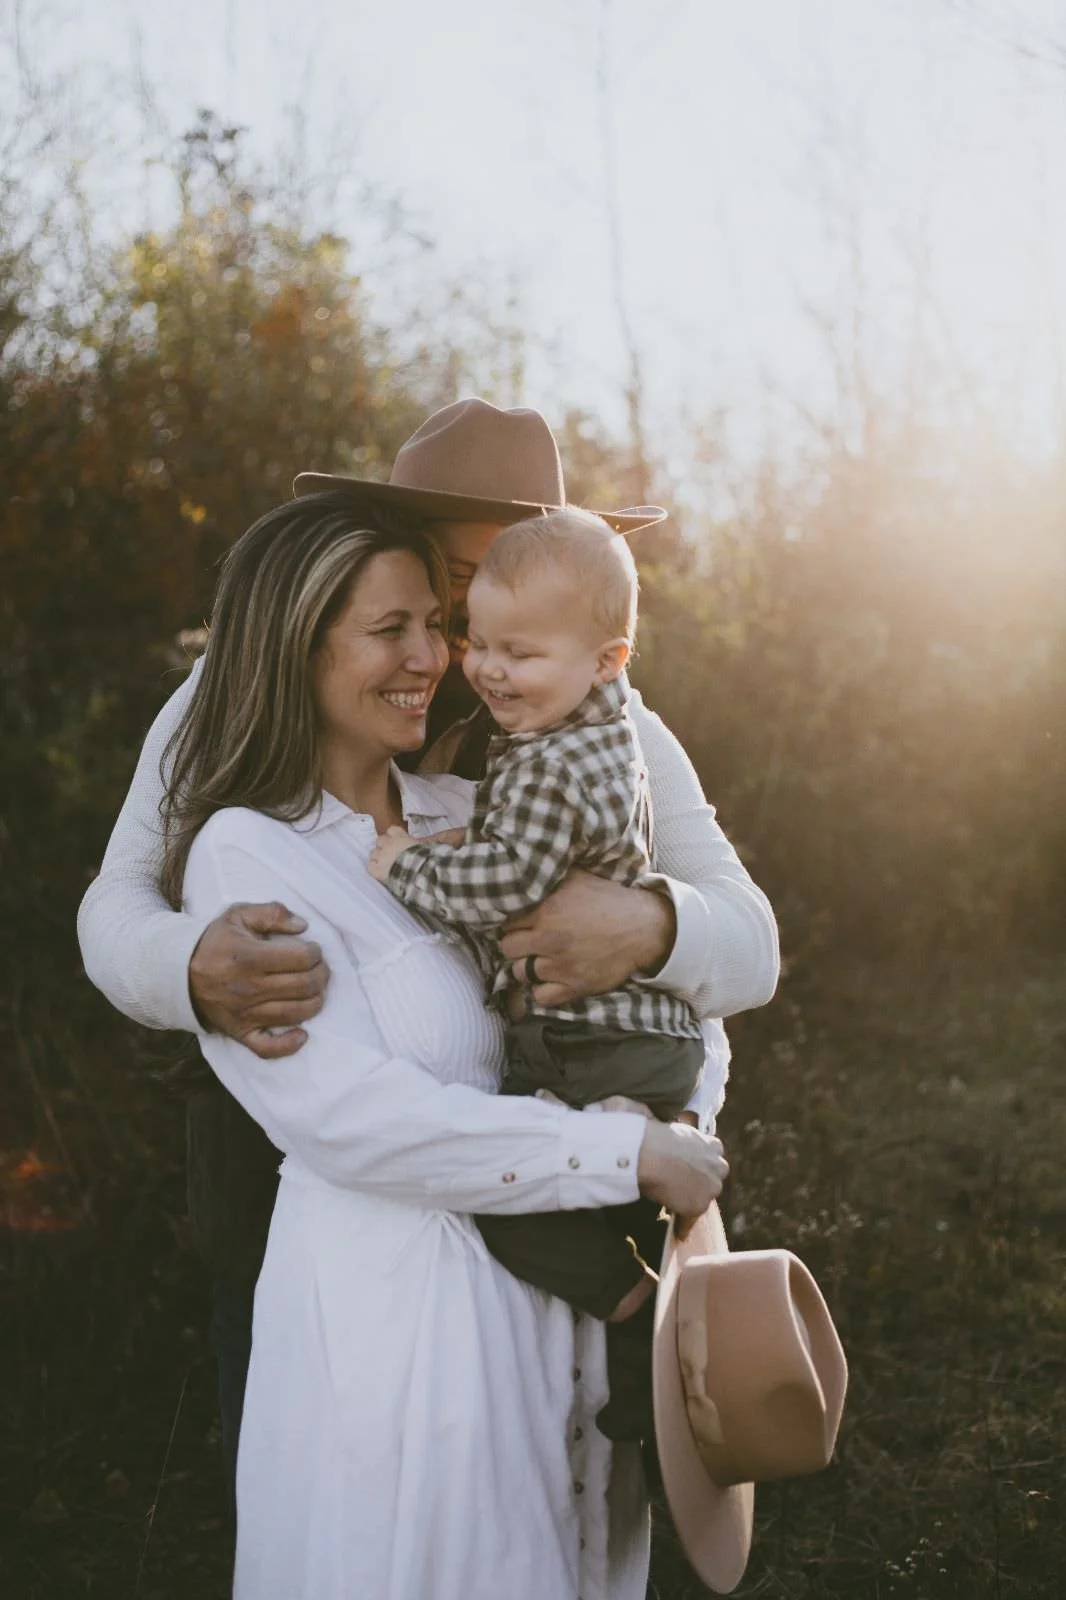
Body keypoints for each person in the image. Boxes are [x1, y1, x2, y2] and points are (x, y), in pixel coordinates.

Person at [77, 397, 780, 1502]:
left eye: (505, 567)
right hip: (298, 1148)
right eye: (454, 573)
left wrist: (650, 925)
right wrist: (187, 967)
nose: (465, 616)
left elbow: (752, 941)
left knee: (552, 1472)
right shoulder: (242, 681)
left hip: (540, 1148)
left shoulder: (611, 718)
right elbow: (117, 893)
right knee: (320, 1464)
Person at [163, 493, 730, 1598]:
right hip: (398, 1340)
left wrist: (680, 1113)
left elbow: (676, 994)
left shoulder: (473, 806)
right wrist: (622, 1155)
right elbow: (351, 1119)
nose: (434, 658)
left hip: (562, 1329)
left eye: (438, 624)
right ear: (297, 646)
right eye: (392, 630)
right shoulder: (249, 852)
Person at [369, 508, 705, 1443]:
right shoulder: (597, 730)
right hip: (639, 1038)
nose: (486, 669)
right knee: (608, 1205)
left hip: (592, 1041)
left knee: (511, 1202)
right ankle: (656, 1380)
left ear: (608, 659)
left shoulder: (549, 761)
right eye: (476, 639)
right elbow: (536, 847)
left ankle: (642, 1311)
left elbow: (511, 880)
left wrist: (406, 865)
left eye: (520, 653)